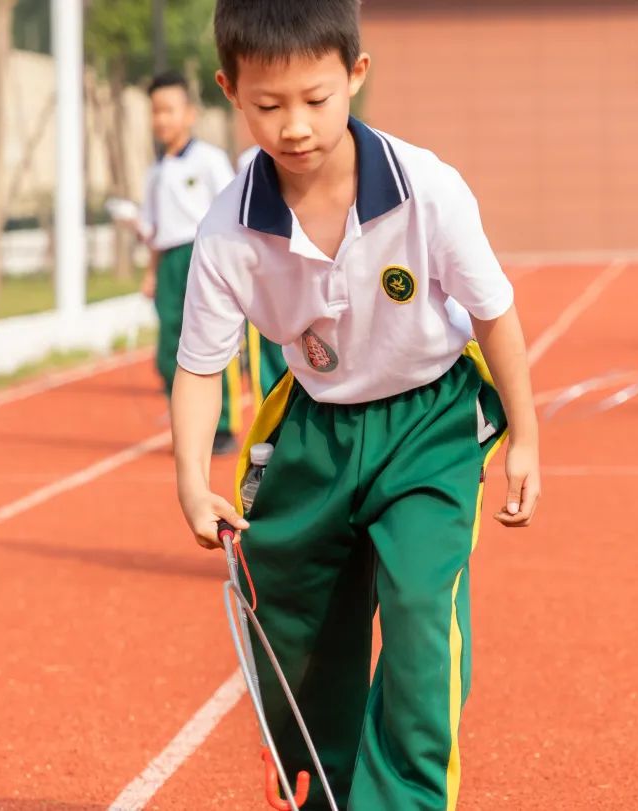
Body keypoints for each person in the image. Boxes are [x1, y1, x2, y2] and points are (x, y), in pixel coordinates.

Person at [170, 1, 541, 807]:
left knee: (418, 613)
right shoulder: (229, 232)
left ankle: (403, 795)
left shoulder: (428, 191)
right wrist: (191, 478)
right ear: (230, 91)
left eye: (315, 99)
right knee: (296, 628)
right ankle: (321, 782)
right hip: (316, 430)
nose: (294, 126)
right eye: (267, 106)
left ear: (356, 78)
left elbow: (492, 311)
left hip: (429, 424)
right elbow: (201, 367)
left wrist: (526, 439)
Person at [138, 71, 241, 454]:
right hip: (169, 262)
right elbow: (152, 228)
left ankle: (225, 424)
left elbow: (232, 211)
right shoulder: (156, 172)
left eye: (169, 110)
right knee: (169, 345)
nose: (161, 119)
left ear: (189, 114)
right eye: (155, 112)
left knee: (212, 339)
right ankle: (184, 425)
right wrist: (150, 273)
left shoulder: (210, 160)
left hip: (203, 254)